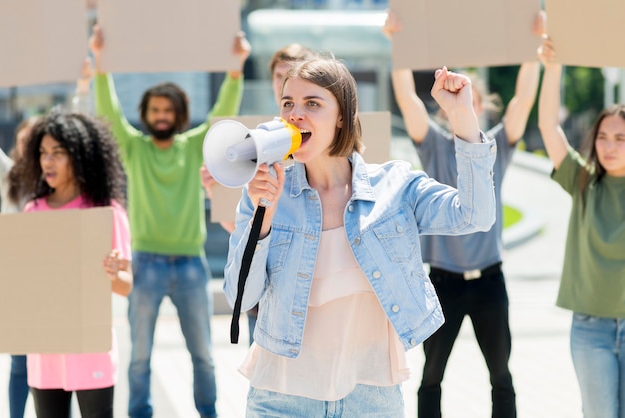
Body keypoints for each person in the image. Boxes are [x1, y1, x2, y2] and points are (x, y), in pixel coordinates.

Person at [222, 56, 496, 416]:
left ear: (341, 115)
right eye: (288, 103)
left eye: (312, 103)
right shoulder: (264, 194)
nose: (294, 114)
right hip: (283, 398)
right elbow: (239, 297)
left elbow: (475, 216)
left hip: (370, 400)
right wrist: (265, 218)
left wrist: (463, 118)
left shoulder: (396, 186)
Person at [383, 10, 544, 417]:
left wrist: (533, 48)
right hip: (443, 280)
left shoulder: (496, 146)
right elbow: (406, 99)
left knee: (501, 375)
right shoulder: (435, 146)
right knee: (431, 375)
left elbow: (524, 100)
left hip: (490, 277)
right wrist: (397, 43)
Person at [89, 24, 251, 418]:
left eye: (168, 111)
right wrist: (100, 62)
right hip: (144, 263)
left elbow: (221, 115)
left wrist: (236, 69)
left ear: (179, 115)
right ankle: (139, 413)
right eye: (155, 111)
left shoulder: (195, 145)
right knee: (139, 357)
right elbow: (108, 111)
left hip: (190, 265)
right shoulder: (133, 148)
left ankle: (208, 412)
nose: (161, 117)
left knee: (202, 355)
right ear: (145, 115)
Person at [9, 107, 132, 418]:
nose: (47, 161)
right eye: (43, 153)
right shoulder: (32, 212)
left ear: (80, 157)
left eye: (58, 153)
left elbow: (125, 286)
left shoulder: (105, 212)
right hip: (45, 355)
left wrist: (112, 272)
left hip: (92, 353)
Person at [201, 42, 316, 346]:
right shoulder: (257, 137)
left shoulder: (311, 141)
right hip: (265, 295)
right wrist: (215, 192)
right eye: (279, 76)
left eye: (292, 74)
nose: (283, 82)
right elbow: (242, 232)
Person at [538, 36, 625, 418]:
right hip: (591, 329)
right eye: (603, 137)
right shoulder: (583, 180)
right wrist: (553, 65)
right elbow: (547, 126)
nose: (609, 146)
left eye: (621, 138)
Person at [0, 117, 37, 418]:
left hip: (46, 282)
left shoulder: (55, 181)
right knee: (19, 363)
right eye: (24, 141)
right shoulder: (8, 175)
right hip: (17, 283)